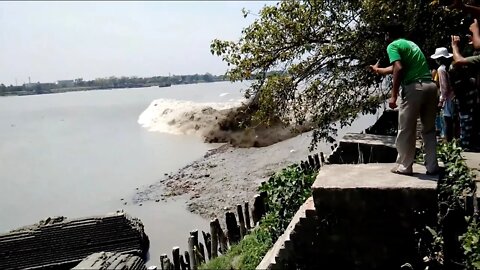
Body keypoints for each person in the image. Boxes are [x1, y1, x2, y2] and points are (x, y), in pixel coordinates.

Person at [370, 22, 440, 175]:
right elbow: (397, 67)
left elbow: (399, 69)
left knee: (406, 129)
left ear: (389, 35)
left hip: (415, 88)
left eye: (385, 34)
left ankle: (405, 166)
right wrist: (379, 70)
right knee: (428, 130)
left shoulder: (393, 46)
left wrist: (393, 96)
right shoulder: (410, 44)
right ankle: (432, 166)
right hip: (430, 86)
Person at [450, 35, 480, 151]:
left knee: (467, 120)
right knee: (467, 119)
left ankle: (467, 143)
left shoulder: (467, 59)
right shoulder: (456, 66)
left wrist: (454, 46)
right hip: (466, 94)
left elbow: (459, 61)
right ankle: (467, 142)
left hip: (468, 95)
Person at [431, 47, 455, 142]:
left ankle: (448, 141)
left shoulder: (441, 69)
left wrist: (441, 101)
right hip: (452, 96)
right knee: (450, 120)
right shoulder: (449, 67)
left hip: (447, 98)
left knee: (447, 120)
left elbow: (444, 87)